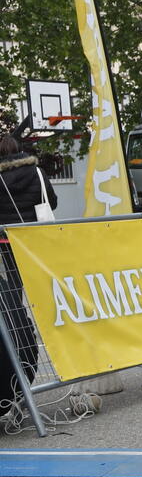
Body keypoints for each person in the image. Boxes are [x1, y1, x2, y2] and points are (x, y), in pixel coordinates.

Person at [0, 134, 55, 415]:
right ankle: (49, 321)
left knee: (13, 288)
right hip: (37, 239)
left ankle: (21, 325)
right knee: (42, 285)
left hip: (8, 242)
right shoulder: (37, 172)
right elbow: (52, 201)